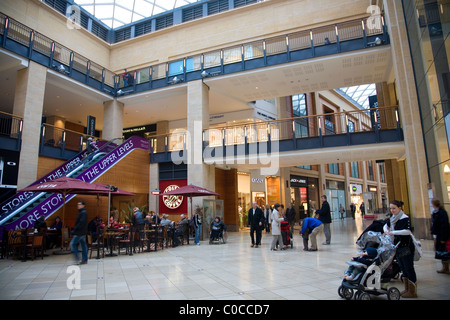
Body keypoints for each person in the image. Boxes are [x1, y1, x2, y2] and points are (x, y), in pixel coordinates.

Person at [383, 200, 417, 298]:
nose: (392, 210)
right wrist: (386, 230)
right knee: (403, 268)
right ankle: (407, 289)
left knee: (409, 268)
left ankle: (412, 291)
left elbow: (407, 231)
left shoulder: (404, 218)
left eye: (394, 208)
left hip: (406, 247)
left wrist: (394, 232)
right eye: (391, 208)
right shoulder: (393, 218)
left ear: (399, 208)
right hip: (397, 247)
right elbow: (386, 225)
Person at [431, 199, 450, 274]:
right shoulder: (436, 212)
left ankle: (446, 268)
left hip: (442, 235)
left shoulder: (441, 213)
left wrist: (443, 238)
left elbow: (444, 225)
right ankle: (444, 267)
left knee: (444, 252)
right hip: (438, 235)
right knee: (441, 252)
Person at [70, 201, 88, 265]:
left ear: (83, 205)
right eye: (78, 204)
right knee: (83, 246)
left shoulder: (82, 213)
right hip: (82, 232)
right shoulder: (82, 212)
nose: (78, 205)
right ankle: (84, 259)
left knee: (72, 244)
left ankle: (77, 258)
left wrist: (74, 230)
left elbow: (81, 223)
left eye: (80, 204)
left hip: (79, 232)